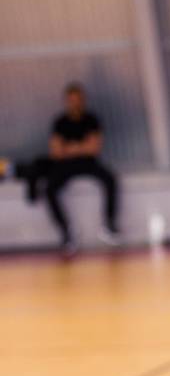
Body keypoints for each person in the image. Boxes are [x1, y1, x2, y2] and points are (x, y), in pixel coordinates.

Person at [45, 83, 120, 256]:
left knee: (110, 179)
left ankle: (109, 224)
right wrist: (80, 146)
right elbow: (56, 152)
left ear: (83, 101)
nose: (75, 103)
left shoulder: (91, 120)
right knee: (49, 188)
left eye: (78, 100)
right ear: (66, 102)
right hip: (66, 165)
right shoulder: (60, 122)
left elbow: (93, 149)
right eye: (72, 100)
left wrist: (69, 148)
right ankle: (66, 232)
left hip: (88, 163)